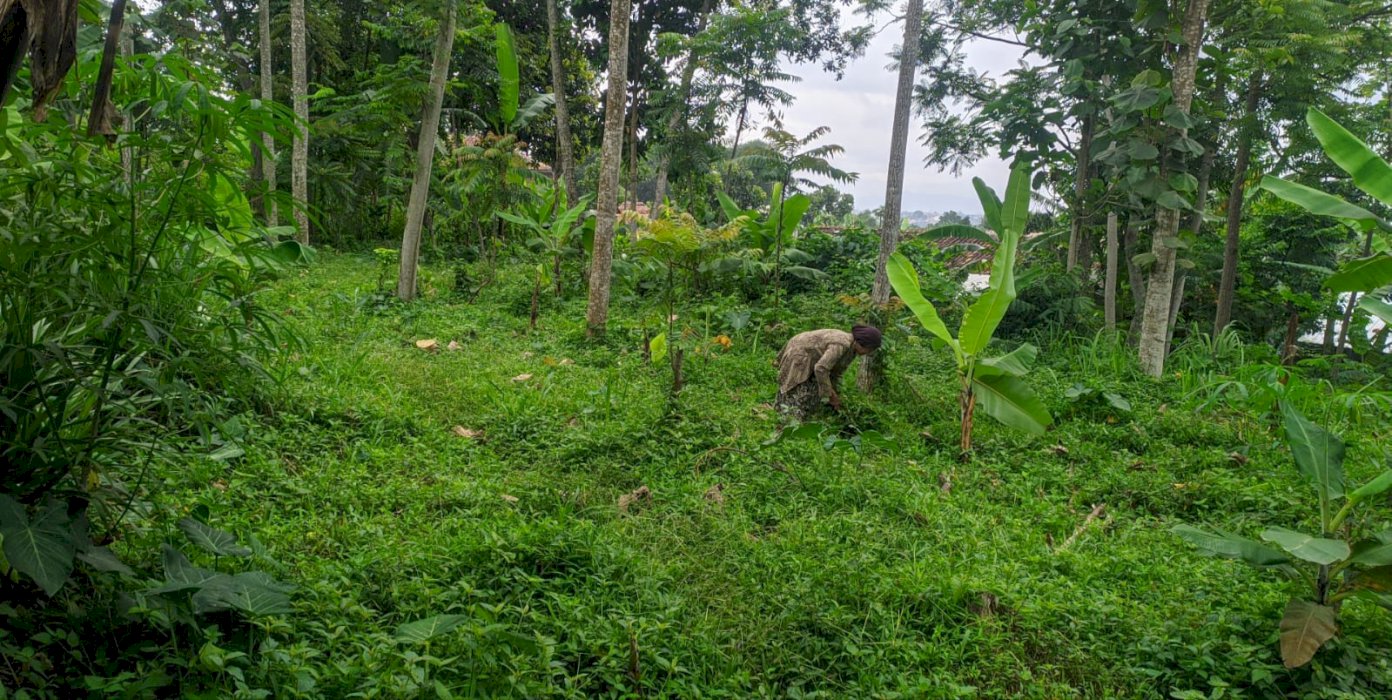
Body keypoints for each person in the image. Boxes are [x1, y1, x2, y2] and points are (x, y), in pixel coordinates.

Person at [774, 325, 882, 420]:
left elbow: (836, 373)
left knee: (815, 392)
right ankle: (787, 420)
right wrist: (830, 395)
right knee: (795, 389)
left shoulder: (852, 349)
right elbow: (821, 368)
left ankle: (790, 417)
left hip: (810, 357)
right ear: (862, 343)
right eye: (869, 349)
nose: (869, 353)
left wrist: (835, 393)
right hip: (799, 354)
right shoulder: (841, 344)